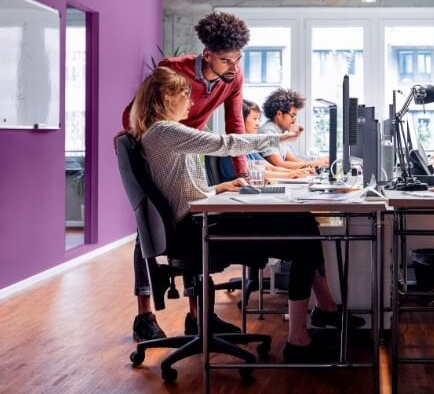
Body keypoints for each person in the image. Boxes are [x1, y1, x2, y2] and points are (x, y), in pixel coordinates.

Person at [128, 66, 359, 362]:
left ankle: (321, 315)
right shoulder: (165, 131)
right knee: (303, 229)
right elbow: (224, 144)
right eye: (184, 93)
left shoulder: (158, 134)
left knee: (302, 225)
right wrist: (279, 139)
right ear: (165, 96)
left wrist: (223, 186)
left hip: (194, 225)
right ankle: (302, 336)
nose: (190, 100)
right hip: (197, 231)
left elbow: (183, 192)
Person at [123, 11, 253, 343]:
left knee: (194, 226)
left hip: (190, 146)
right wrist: (150, 160)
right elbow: (137, 111)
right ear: (206, 55)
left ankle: (199, 319)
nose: (233, 68)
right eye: (226, 60)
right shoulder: (173, 69)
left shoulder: (232, 78)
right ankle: (144, 316)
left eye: (237, 60)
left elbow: (235, 127)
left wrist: (244, 175)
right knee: (151, 224)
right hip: (153, 145)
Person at [258, 88, 329, 170]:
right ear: (279, 114)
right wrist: (316, 163)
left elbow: (293, 159)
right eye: (292, 115)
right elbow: (279, 164)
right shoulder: (268, 132)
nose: (294, 120)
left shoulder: (279, 132)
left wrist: (319, 160)